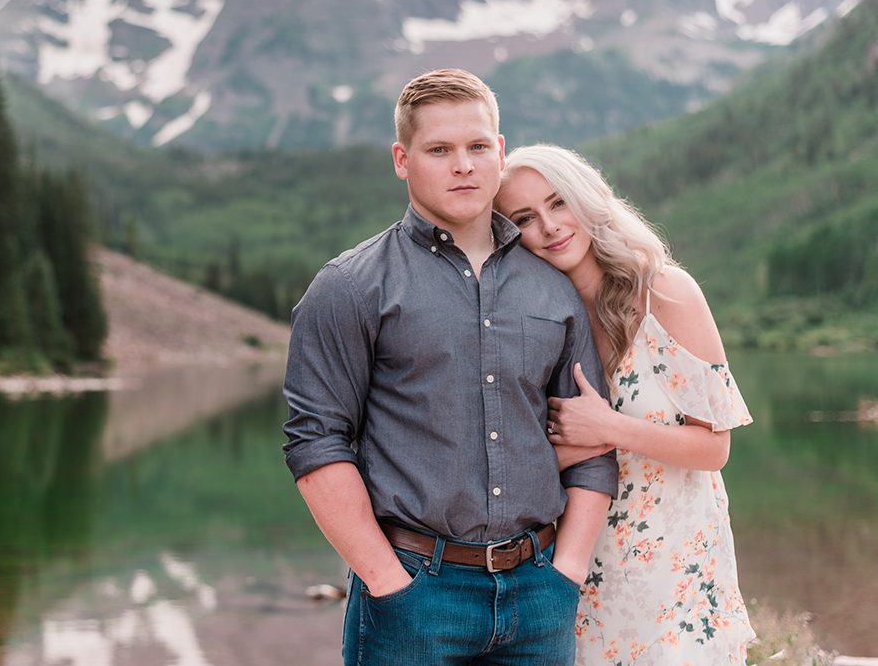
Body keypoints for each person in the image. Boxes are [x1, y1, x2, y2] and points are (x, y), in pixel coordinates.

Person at [282, 69, 618, 665]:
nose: (463, 165)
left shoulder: (553, 289)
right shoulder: (351, 288)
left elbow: (590, 439)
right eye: (439, 150)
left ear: (500, 152)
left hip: (540, 595)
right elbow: (316, 442)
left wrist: (568, 569)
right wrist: (387, 582)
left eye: (477, 147)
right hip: (413, 597)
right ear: (402, 159)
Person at [494, 144, 756, 665]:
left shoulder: (665, 292)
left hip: (675, 570)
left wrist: (609, 426)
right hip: (580, 566)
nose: (549, 226)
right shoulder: (536, 324)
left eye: (559, 203)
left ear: (588, 201)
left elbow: (714, 447)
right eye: (525, 217)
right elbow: (537, 454)